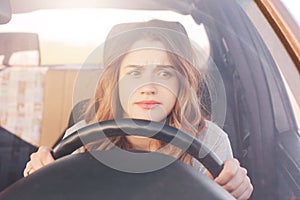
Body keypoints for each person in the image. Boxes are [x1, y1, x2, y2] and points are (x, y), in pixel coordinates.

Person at [24, 19, 253, 199]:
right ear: (115, 83)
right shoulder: (82, 137)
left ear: (181, 83)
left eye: (164, 73)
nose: (148, 87)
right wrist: (37, 179)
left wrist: (233, 190)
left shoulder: (209, 141)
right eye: (134, 73)